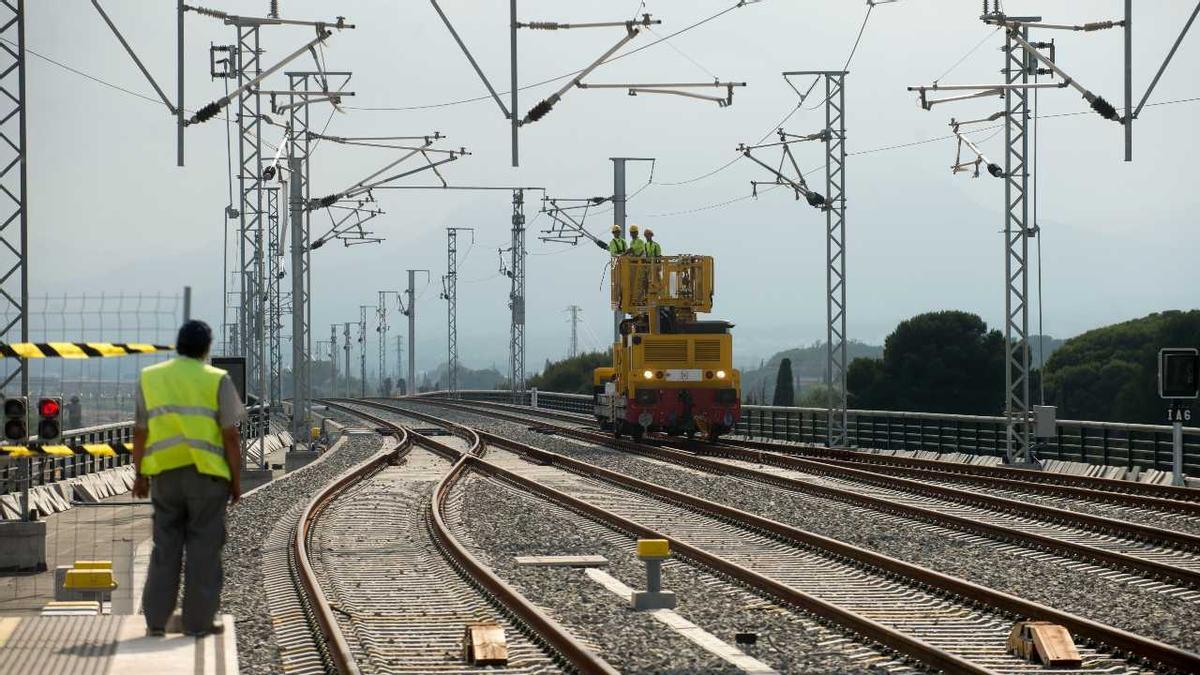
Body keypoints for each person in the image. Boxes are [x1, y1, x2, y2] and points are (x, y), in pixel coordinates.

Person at [131, 320, 245, 637]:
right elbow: (231, 437)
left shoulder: (150, 378)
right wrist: (235, 481)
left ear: (178, 345)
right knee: (204, 550)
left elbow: (140, 433)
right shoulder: (216, 379)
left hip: (165, 477)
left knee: (165, 547)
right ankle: (198, 623)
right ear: (207, 348)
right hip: (207, 479)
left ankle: (155, 621)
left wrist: (139, 475)